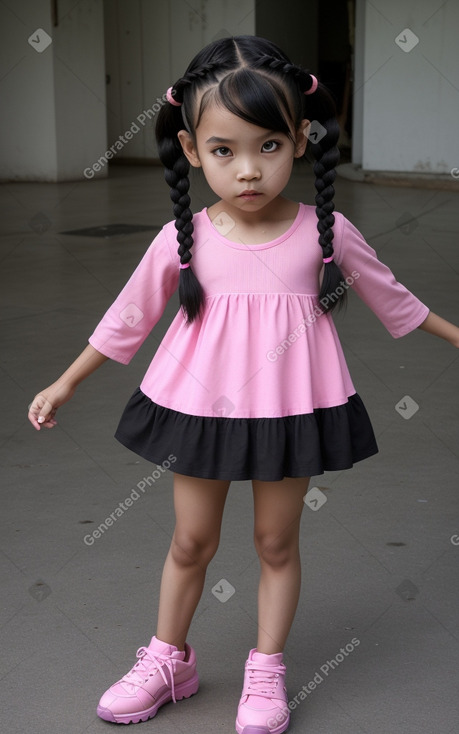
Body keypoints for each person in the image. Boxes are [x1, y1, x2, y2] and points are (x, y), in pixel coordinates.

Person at [28, 35, 459, 734]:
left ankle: (266, 669)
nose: (248, 170)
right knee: (190, 541)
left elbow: (396, 300)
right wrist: (65, 382)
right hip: (199, 409)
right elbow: (128, 317)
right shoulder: (183, 238)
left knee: (275, 543)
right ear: (193, 151)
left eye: (268, 146)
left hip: (290, 410)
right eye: (223, 150)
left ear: (298, 140)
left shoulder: (325, 232)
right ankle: (169, 660)